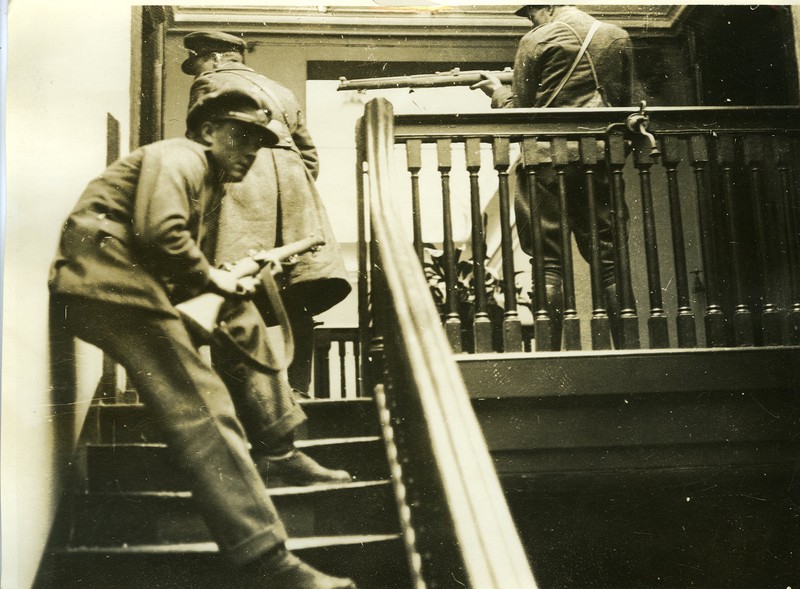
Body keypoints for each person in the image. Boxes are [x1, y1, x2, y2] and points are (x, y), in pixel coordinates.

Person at [49, 87, 355, 589]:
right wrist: (214, 279)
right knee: (204, 406)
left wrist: (225, 283)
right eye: (240, 137)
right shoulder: (180, 157)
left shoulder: (210, 181)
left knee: (238, 310)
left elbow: (178, 263)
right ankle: (265, 560)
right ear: (208, 131)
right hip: (105, 286)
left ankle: (278, 447)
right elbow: (161, 235)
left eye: (258, 144)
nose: (250, 152)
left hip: (129, 284)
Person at [181, 31, 351, 394]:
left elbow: (202, 141)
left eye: (197, 63)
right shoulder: (281, 90)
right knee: (300, 290)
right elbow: (310, 156)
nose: (197, 71)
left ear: (211, 58)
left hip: (240, 188)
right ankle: (298, 388)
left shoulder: (210, 81)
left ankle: (236, 391)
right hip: (295, 192)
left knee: (231, 287)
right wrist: (291, 194)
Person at [472, 5, 637, 349]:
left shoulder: (536, 39)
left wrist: (497, 92)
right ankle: (629, 349)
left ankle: (549, 355)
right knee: (609, 262)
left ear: (545, 6)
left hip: (546, 163)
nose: (531, 20)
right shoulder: (618, 37)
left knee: (548, 264)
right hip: (600, 160)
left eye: (531, 13)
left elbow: (521, 115)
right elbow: (625, 103)